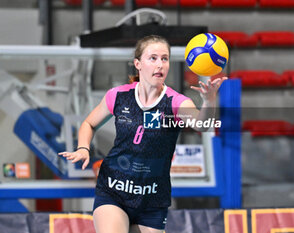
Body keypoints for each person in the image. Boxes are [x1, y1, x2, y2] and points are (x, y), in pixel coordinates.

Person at [58, 35, 227, 233]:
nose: (160, 65)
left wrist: (209, 100)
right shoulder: (119, 96)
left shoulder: (176, 102)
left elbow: (203, 124)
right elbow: (89, 123)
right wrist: (83, 148)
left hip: (152, 199)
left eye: (164, 59)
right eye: (153, 58)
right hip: (114, 191)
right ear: (138, 63)